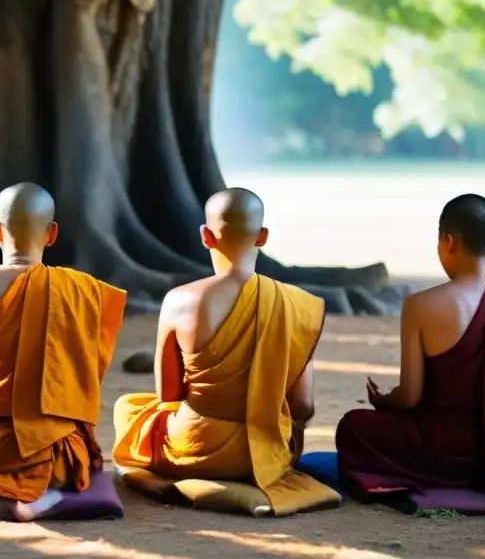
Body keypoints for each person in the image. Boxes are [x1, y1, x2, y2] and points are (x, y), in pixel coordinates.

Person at [336, 194, 485, 498]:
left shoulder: (419, 306)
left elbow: (411, 397)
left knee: (352, 427)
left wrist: (384, 401)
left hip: (437, 450)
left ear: (448, 241)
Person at [112, 188, 338, 515]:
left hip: (192, 446)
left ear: (206, 236)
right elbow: (302, 405)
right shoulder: (293, 304)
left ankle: (186, 482)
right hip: (263, 454)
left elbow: (169, 393)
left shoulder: (178, 300)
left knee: (128, 407)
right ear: (262, 237)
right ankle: (250, 485)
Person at [0, 183, 126, 521]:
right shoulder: (83, 290)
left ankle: (0, 499)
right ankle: (36, 496)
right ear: (52, 234)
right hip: (56, 457)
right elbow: (85, 378)